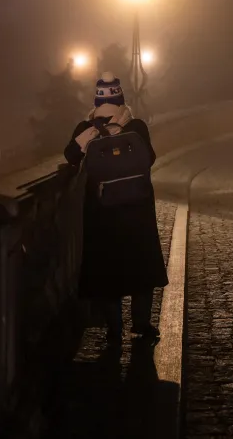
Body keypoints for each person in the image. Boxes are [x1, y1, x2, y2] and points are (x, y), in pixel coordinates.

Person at [64, 72, 168, 343]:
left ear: (96, 100)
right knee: (141, 271)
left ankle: (114, 329)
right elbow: (151, 158)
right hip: (137, 211)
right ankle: (142, 325)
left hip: (101, 213)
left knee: (106, 272)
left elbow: (70, 156)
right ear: (121, 98)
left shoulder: (84, 129)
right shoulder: (136, 126)